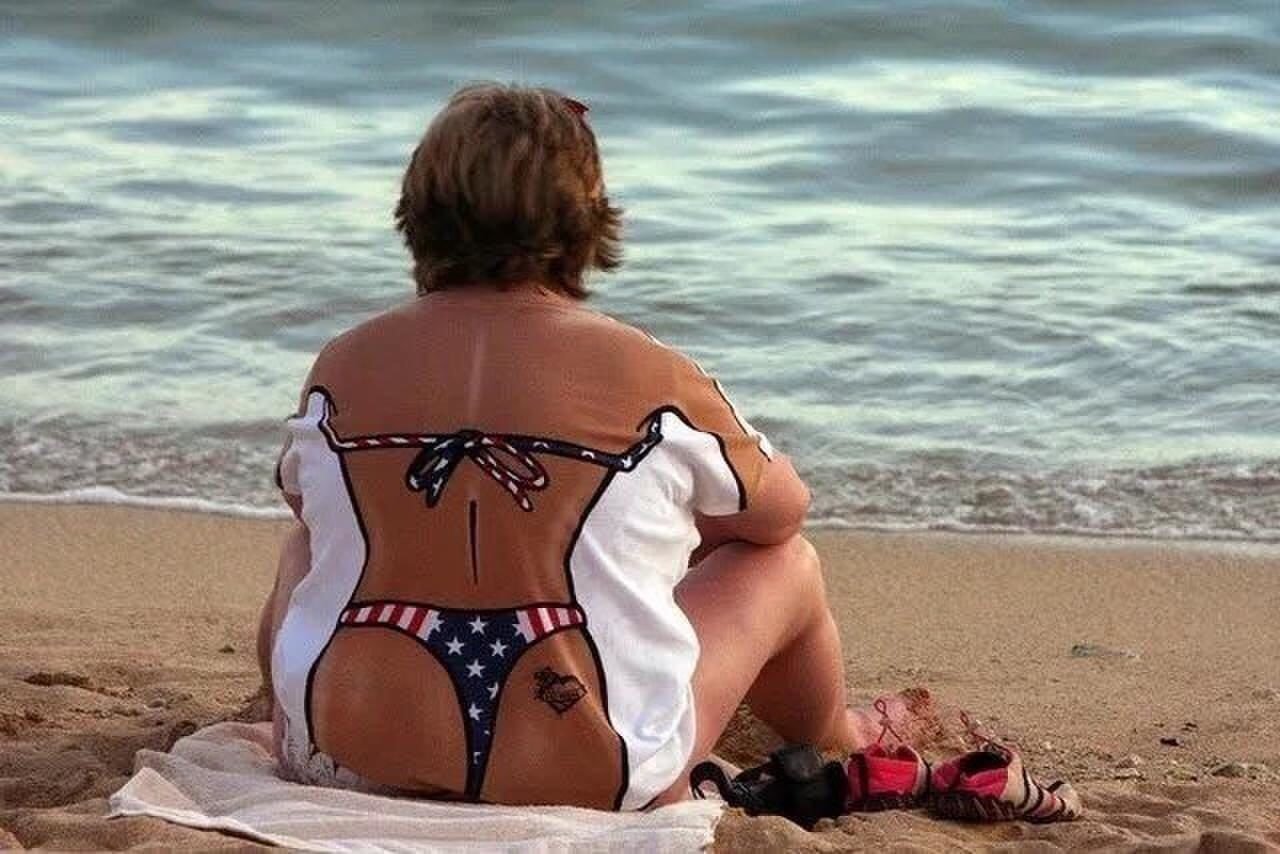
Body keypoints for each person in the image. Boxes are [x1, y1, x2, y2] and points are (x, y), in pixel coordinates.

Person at [255, 83, 905, 811]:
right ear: (586, 215)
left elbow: (307, 503)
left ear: (418, 207)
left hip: (342, 759)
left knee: (308, 542)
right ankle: (839, 734)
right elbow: (782, 513)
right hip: (591, 769)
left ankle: (289, 710)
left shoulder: (343, 363)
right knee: (784, 562)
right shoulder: (650, 373)